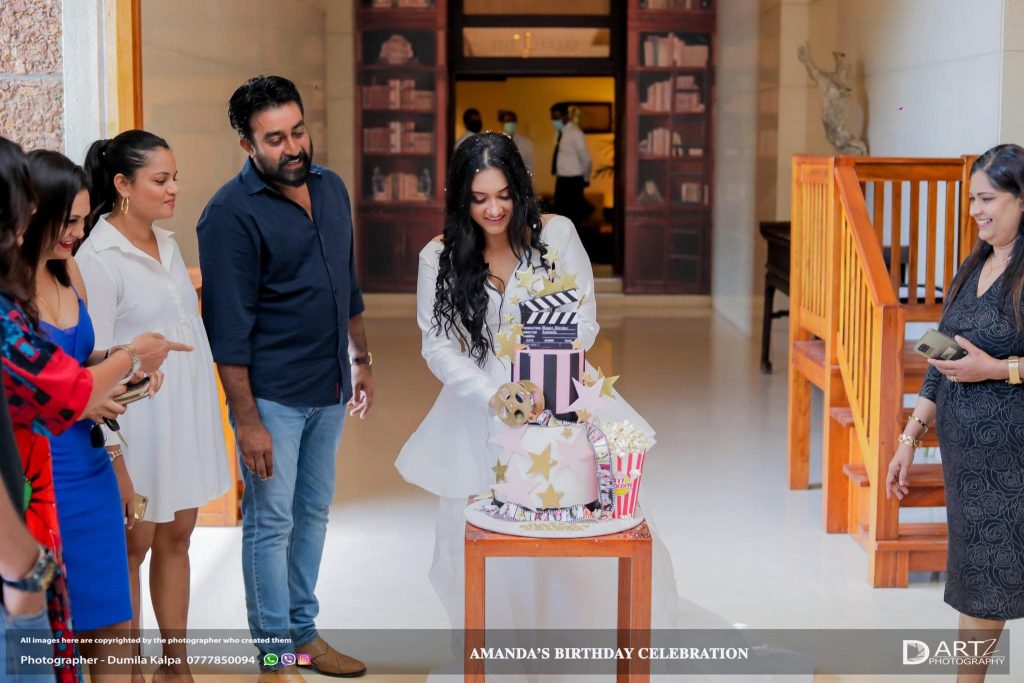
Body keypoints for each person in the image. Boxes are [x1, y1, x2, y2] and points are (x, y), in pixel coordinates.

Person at [394, 134, 744, 683]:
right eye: (479, 198)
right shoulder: (437, 257)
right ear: (460, 198)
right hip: (478, 412)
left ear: (521, 190)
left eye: (504, 196)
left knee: (577, 539)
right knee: (482, 548)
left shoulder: (555, 235)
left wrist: (541, 376)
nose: (493, 210)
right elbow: (436, 346)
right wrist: (493, 393)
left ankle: (578, 662)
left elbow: (585, 318)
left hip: (563, 397)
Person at [197, 75, 374, 682]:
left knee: (314, 513)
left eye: (298, 131)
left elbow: (346, 283)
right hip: (271, 398)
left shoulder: (330, 188)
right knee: (271, 523)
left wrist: (361, 359)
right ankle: (275, 658)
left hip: (330, 385)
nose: (293, 147)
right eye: (275, 139)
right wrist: (247, 422)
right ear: (247, 145)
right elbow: (228, 330)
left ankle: (304, 633)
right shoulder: (228, 214)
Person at [0, 135, 189, 682]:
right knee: (53, 637)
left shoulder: (70, 271)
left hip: (88, 460)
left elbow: (80, 362)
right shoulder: (11, 297)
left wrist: (123, 369)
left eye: (83, 221)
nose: (77, 234)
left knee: (113, 623)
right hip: (43, 469)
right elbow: (61, 386)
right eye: (68, 221)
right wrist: (131, 356)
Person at [79, 129, 232, 683]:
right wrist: (114, 450)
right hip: (136, 424)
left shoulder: (167, 244)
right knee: (134, 547)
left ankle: (176, 664)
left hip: (181, 417)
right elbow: (93, 366)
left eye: (175, 178)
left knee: (178, 536)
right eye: (160, 180)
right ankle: (130, 670)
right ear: (123, 184)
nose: (174, 189)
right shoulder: (98, 257)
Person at [887, 144, 1024, 683]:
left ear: (1022, 200)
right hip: (967, 464)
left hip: (1013, 462)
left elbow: (985, 364)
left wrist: (994, 368)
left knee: (993, 578)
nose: (976, 211)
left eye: (987, 199)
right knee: (975, 579)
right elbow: (939, 357)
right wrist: (910, 436)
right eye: (972, 199)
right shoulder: (974, 265)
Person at [549, 102, 592, 229]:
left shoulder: (575, 133)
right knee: (560, 216)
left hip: (573, 181)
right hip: (562, 180)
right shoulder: (560, 133)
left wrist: (586, 178)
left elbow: (586, 159)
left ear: (565, 116)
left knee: (573, 218)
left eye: (557, 117)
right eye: (552, 117)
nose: (554, 120)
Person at [499, 110, 535, 175]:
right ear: (503, 123)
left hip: (520, 178)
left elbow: (530, 165)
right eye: (508, 121)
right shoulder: (498, 141)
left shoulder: (526, 143)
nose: (510, 123)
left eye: (513, 121)